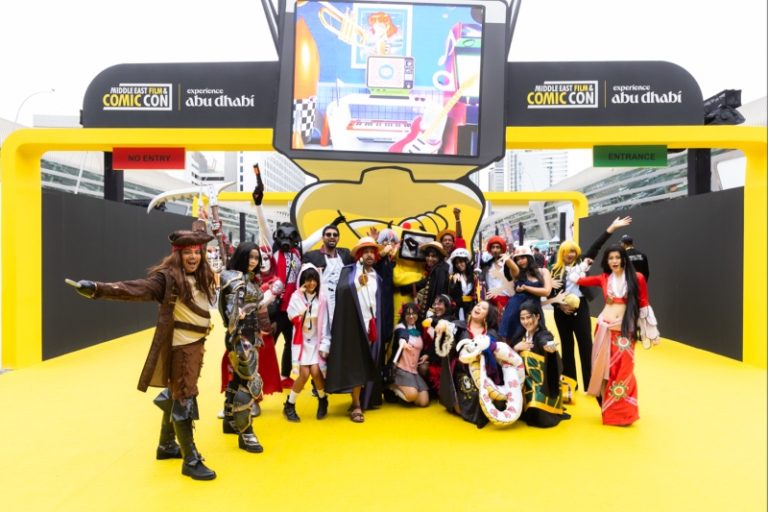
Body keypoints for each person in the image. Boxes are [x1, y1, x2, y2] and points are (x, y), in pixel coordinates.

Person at [67, 226, 218, 480]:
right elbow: (134, 288)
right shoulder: (167, 279)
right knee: (185, 397)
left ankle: (166, 444)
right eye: (187, 252)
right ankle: (190, 460)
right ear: (177, 254)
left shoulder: (202, 275)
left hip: (195, 346)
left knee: (177, 393)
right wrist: (97, 288)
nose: (193, 257)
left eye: (197, 252)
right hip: (181, 349)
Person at [575, 245, 660, 426]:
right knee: (605, 370)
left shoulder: (637, 278)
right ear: (606, 261)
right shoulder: (604, 278)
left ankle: (624, 414)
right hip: (603, 328)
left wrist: (651, 331)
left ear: (623, 259)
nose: (614, 261)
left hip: (624, 330)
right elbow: (579, 280)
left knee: (623, 370)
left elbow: (644, 303)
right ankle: (609, 411)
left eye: (617, 257)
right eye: (610, 258)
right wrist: (582, 266)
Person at [548, 216, 632, 391]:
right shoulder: (554, 270)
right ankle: (571, 384)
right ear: (562, 253)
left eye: (573, 251)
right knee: (567, 347)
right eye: (567, 252)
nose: (570, 254)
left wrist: (612, 228)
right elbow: (549, 293)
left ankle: (590, 384)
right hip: (561, 311)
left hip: (581, 307)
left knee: (586, 345)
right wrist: (559, 305)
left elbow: (597, 245)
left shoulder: (583, 262)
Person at [219, 242, 281, 453]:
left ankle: (230, 421)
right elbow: (231, 312)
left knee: (238, 379)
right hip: (240, 335)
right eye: (250, 257)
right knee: (249, 382)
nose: (253, 261)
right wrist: (236, 320)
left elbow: (256, 305)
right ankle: (246, 433)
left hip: (251, 334)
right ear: (241, 256)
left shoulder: (251, 280)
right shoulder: (233, 279)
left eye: (256, 258)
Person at [325, 237, 384, 423]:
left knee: (368, 362)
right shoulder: (349, 272)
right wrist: (357, 283)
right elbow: (341, 292)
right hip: (353, 324)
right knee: (356, 365)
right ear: (359, 255)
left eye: (372, 251)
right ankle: (356, 404)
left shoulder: (377, 277)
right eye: (365, 252)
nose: (369, 255)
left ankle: (365, 399)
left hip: (371, 325)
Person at [437, 300, 501, 428]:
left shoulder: (491, 333)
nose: (478, 308)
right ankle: (456, 404)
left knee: (489, 397)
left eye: (483, 308)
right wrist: (441, 324)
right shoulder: (460, 326)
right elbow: (446, 325)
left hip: (483, 371)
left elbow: (496, 353)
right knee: (474, 396)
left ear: (488, 315)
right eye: (478, 305)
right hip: (462, 370)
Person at [283, 264, 332, 422]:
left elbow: (325, 324)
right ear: (303, 280)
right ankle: (289, 405)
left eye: (314, 280)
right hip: (301, 342)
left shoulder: (322, 299)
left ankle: (323, 400)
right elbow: (292, 316)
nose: (311, 283)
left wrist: (325, 344)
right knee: (304, 374)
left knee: (316, 372)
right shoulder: (296, 297)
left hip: (316, 342)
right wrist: (299, 295)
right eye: (308, 280)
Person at [511, 300, 570, 428]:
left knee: (539, 418)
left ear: (537, 316)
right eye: (522, 318)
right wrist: (516, 348)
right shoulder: (520, 336)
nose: (526, 321)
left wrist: (548, 347)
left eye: (529, 317)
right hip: (521, 381)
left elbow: (545, 341)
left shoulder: (543, 334)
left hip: (541, 383)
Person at [498, 245, 552, 343]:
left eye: (523, 258)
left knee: (537, 338)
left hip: (534, 308)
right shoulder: (517, 272)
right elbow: (513, 266)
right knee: (513, 340)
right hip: (515, 308)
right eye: (517, 259)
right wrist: (507, 259)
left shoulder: (544, 272)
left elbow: (547, 291)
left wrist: (526, 288)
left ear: (529, 257)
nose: (520, 261)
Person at [302, 223, 353, 319]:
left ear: (338, 238)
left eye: (335, 235)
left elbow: (362, 257)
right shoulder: (311, 256)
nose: (332, 237)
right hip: (321, 305)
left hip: (342, 303)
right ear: (322, 237)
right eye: (328, 234)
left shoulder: (346, 253)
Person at [389, 302, 430, 407]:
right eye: (408, 314)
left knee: (423, 402)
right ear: (403, 315)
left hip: (414, 370)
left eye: (413, 313)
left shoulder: (419, 328)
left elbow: (425, 344)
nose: (411, 316)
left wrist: (426, 355)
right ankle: (393, 386)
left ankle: (408, 390)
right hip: (401, 369)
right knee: (412, 395)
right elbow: (401, 335)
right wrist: (402, 342)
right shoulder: (400, 327)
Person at [478, 236, 515, 317]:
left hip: (506, 300)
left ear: (502, 249)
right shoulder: (487, 265)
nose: (495, 250)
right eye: (493, 247)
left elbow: (513, 281)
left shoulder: (507, 264)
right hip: (490, 301)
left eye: (498, 247)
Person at [415, 241, 450, 312]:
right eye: (428, 256)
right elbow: (424, 282)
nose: (430, 258)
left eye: (433, 256)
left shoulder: (440, 270)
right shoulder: (436, 269)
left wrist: (434, 310)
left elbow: (439, 292)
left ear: (440, 257)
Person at [447, 248, 478, 321]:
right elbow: (452, 294)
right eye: (456, 263)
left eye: (461, 262)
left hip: (471, 308)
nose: (459, 265)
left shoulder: (473, 276)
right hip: (459, 309)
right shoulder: (454, 277)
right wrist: (454, 282)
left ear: (466, 261)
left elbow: (476, 293)